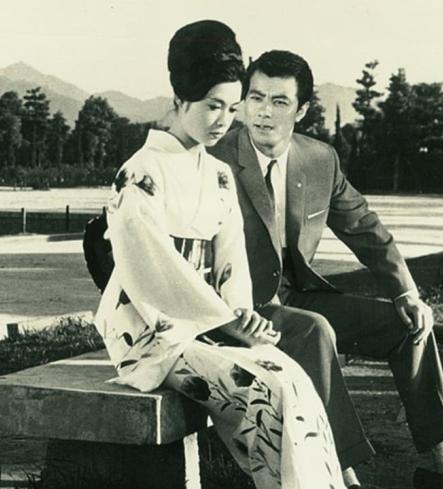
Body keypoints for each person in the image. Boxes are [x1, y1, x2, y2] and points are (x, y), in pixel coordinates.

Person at [209, 50, 443, 489]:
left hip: (297, 296)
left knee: (407, 324)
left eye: (279, 101)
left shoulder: (319, 159)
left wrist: (407, 292)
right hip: (239, 310)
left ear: (302, 110)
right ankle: (343, 476)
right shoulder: (214, 159)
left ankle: (440, 467)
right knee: (315, 332)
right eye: (255, 98)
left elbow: (364, 227)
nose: (263, 112)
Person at [93, 21, 345, 489]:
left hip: (210, 324)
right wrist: (227, 323)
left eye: (232, 108)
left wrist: (243, 315)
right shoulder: (140, 172)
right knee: (265, 389)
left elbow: (231, 264)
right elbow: (153, 273)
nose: (223, 121)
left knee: (294, 381)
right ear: (179, 99)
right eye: (212, 106)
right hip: (151, 333)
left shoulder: (219, 174)